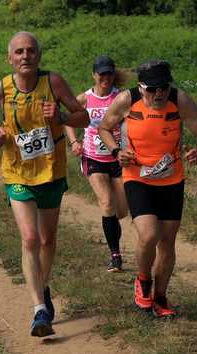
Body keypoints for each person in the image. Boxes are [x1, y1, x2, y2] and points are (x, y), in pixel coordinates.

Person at [0, 32, 89, 337]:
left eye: (30, 51)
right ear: (10, 58)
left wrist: (62, 115)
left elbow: (84, 118)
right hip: (16, 171)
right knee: (30, 239)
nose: (25, 56)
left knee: (47, 239)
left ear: (39, 55)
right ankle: (39, 309)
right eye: (19, 52)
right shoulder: (2, 87)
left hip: (51, 172)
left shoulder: (53, 83)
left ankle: (43, 285)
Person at [98, 60, 197, 318]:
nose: (158, 94)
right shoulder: (126, 101)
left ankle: (161, 297)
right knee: (149, 234)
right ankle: (143, 283)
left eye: (163, 87)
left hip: (171, 179)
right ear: (141, 88)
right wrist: (117, 151)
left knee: (167, 242)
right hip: (137, 177)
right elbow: (104, 128)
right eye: (152, 89)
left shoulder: (180, 100)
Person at [65, 55, 130, 272]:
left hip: (118, 158)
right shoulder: (85, 99)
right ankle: (115, 255)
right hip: (93, 158)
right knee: (107, 204)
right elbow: (68, 119)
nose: (106, 78)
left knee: (121, 211)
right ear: (94, 74)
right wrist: (74, 141)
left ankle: (114, 241)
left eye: (109, 73)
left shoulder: (121, 97)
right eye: (101, 74)